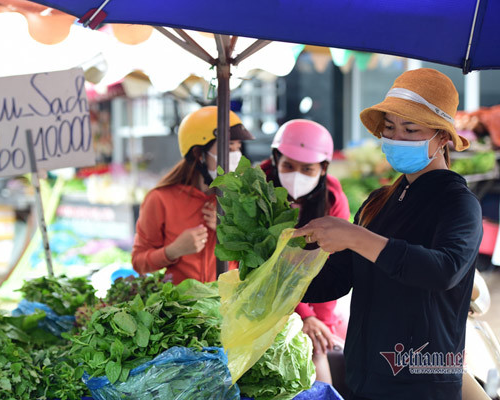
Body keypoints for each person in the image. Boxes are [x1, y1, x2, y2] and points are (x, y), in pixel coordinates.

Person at [295, 68, 483, 400]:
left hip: (421, 383)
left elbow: (444, 270)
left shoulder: (459, 203)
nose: (396, 139)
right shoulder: (379, 202)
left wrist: (355, 237)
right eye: (390, 128)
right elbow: (339, 278)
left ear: (443, 138)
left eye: (410, 129)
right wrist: (280, 272)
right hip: (363, 377)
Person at [260, 119, 349, 384]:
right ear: (276, 158)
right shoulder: (256, 191)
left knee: (318, 349)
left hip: (314, 298)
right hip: (264, 298)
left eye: (307, 168)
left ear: (323, 168)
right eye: (288, 165)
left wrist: (322, 323)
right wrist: (304, 315)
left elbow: (333, 267)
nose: (296, 175)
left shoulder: (332, 198)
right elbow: (263, 266)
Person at [132, 106, 254, 284]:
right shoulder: (160, 199)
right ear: (199, 154)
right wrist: (173, 251)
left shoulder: (243, 198)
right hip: (180, 307)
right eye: (228, 148)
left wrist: (230, 231)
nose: (235, 156)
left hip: (229, 306)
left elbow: (257, 260)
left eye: (238, 147)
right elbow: (139, 262)